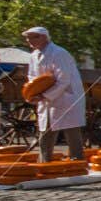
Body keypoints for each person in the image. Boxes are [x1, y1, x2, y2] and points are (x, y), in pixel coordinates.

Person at [22, 26, 86, 163]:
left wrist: (45, 95)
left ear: (44, 37)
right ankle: (45, 162)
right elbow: (32, 77)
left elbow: (64, 80)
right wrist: (34, 93)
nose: (29, 40)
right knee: (45, 132)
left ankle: (77, 163)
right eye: (28, 37)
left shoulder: (59, 53)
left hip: (66, 98)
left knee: (71, 131)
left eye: (33, 37)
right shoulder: (33, 56)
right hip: (47, 100)